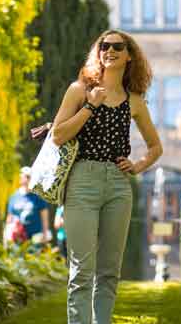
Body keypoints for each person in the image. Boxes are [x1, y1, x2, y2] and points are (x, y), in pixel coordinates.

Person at [52, 30, 162, 324]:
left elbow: (155, 147)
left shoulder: (134, 101)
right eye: (104, 46)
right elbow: (58, 135)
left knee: (109, 271)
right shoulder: (79, 90)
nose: (110, 50)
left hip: (117, 185)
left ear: (129, 55)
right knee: (81, 269)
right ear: (97, 52)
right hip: (81, 181)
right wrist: (90, 106)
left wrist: (137, 166)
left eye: (117, 46)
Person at [6, 166, 51, 245]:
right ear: (20, 178)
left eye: (29, 177)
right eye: (25, 176)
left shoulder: (38, 196)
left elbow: (44, 217)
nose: (27, 179)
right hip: (18, 238)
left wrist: (45, 234)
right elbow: (9, 218)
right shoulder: (13, 197)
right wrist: (7, 235)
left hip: (36, 237)